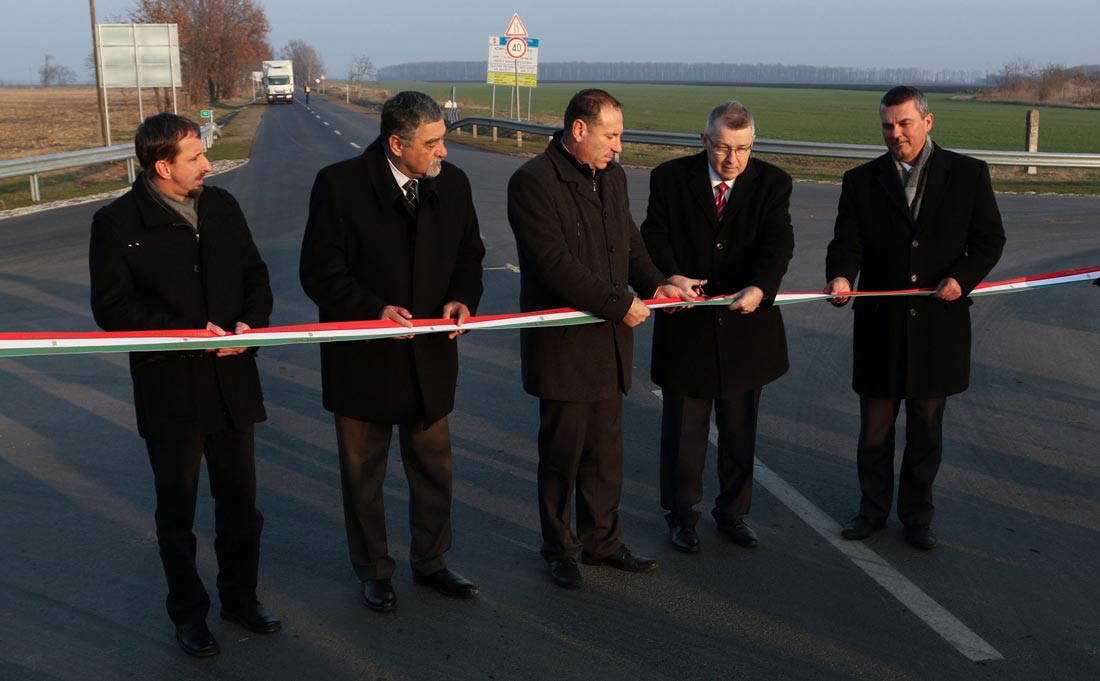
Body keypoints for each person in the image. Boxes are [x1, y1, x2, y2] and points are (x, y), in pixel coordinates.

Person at [89, 113, 279, 657]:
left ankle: (241, 598)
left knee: (241, 505)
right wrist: (181, 336)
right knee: (178, 513)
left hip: (233, 382)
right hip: (171, 390)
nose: (208, 165)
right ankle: (189, 615)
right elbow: (112, 310)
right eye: (196, 157)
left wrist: (250, 325)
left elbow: (255, 276)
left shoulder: (222, 207)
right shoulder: (117, 224)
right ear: (163, 166)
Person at [507, 88, 700, 589]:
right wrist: (619, 304)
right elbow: (553, 264)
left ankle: (602, 541)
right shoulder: (532, 182)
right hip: (565, 349)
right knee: (562, 456)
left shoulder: (610, 177)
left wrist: (657, 281)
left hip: (610, 345)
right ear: (579, 130)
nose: (619, 147)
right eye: (611, 136)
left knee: (604, 457)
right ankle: (560, 547)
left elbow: (628, 242)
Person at [299, 91, 485, 612]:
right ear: (397, 144)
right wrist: (370, 311)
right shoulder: (339, 186)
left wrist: (463, 300)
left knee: (433, 469)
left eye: (442, 140)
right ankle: (375, 569)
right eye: (432, 144)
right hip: (363, 360)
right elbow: (319, 272)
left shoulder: (454, 184)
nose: (443, 153)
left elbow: (471, 256)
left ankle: (431, 561)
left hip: (430, 357)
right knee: (364, 477)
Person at [824, 85, 1006, 550]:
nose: (895, 133)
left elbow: (988, 241)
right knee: (874, 432)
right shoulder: (861, 180)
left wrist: (961, 279)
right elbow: (847, 243)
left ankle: (918, 516)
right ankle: (871, 511)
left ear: (927, 122)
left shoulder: (968, 174)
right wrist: (841, 277)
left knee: (926, 431)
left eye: (904, 123)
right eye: (887, 125)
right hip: (880, 328)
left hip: (937, 328)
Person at [640, 101, 794, 554]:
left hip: (747, 329)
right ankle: (682, 516)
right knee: (684, 435)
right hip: (686, 327)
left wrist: (761, 288)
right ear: (703, 139)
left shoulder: (773, 183)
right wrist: (669, 276)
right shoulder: (669, 179)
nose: (732, 160)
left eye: (743, 149)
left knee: (740, 430)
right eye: (723, 148)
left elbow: (778, 243)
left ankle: (734, 512)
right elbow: (653, 237)